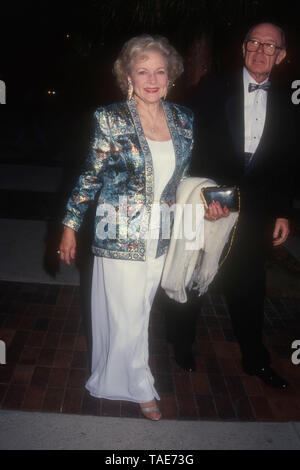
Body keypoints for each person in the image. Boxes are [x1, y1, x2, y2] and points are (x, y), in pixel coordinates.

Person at [58, 34, 196, 421]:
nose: (152, 79)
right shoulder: (110, 118)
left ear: (170, 77)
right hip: (118, 231)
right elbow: (90, 176)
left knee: (140, 310)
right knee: (128, 312)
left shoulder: (184, 120)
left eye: (160, 71)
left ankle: (111, 377)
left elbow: (181, 179)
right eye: (143, 71)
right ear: (128, 77)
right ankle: (140, 386)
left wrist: (204, 204)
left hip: (161, 234)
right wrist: (70, 224)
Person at [165, 22, 295, 389]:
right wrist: (202, 195)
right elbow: (188, 144)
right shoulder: (212, 87)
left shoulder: (289, 99)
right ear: (243, 48)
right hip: (205, 200)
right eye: (254, 42)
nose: (260, 50)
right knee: (191, 276)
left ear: (282, 56)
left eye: (270, 46)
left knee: (250, 286)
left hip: (255, 209)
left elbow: (288, 161)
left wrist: (283, 210)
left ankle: (256, 360)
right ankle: (182, 343)